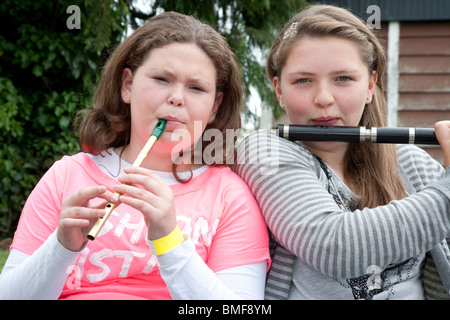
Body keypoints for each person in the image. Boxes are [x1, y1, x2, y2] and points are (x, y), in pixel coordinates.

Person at [0, 11, 270, 300]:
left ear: (215, 106)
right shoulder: (67, 175)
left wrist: (170, 241)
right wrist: (60, 248)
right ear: (127, 85)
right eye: (162, 79)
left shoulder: (230, 196)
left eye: (196, 87)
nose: (177, 97)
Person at [234, 4, 450, 300]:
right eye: (303, 80)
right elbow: (333, 247)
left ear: (370, 85)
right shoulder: (263, 152)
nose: (323, 98)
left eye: (343, 79)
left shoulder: (411, 163)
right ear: (279, 90)